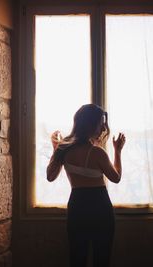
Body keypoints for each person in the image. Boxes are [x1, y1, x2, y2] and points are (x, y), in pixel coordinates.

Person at [46, 104, 126, 267]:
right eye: (100, 123)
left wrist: (56, 150)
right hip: (100, 207)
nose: (103, 127)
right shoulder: (97, 153)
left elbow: (50, 176)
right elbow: (116, 178)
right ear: (90, 125)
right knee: (101, 258)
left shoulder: (64, 150)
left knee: (77, 257)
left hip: (77, 206)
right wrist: (117, 151)